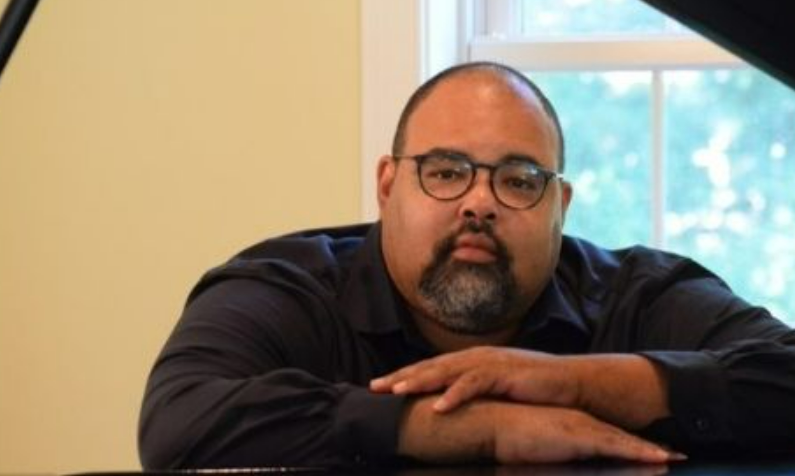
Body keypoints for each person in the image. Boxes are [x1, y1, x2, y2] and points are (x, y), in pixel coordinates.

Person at [138, 62, 795, 469]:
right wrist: (477, 427)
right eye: (447, 171)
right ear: (389, 186)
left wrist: (573, 384)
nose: (480, 203)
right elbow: (178, 423)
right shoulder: (286, 287)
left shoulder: (643, 294)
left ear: (559, 206)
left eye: (518, 180)